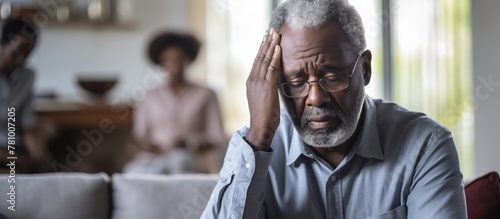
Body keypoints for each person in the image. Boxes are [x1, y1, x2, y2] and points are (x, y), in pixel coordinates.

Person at [202, 0, 467, 218]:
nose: (316, 98)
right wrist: (259, 137)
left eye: (332, 76)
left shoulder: (425, 145)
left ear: (364, 69)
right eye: (296, 82)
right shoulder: (253, 149)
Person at [124, 32, 227, 174]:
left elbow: (217, 138)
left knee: (179, 161)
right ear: (161, 63)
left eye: (178, 59)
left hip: (192, 158)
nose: (173, 65)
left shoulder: (207, 94)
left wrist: (190, 145)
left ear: (188, 60)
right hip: (154, 158)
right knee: (133, 171)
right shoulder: (149, 96)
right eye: (167, 60)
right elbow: (140, 135)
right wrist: (148, 146)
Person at [0, 18, 45, 172]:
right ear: (3, 43)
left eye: (27, 54)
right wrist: (13, 158)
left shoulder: (27, 77)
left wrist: (37, 154)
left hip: (13, 145)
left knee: (45, 164)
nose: (21, 59)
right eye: (17, 51)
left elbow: (27, 128)